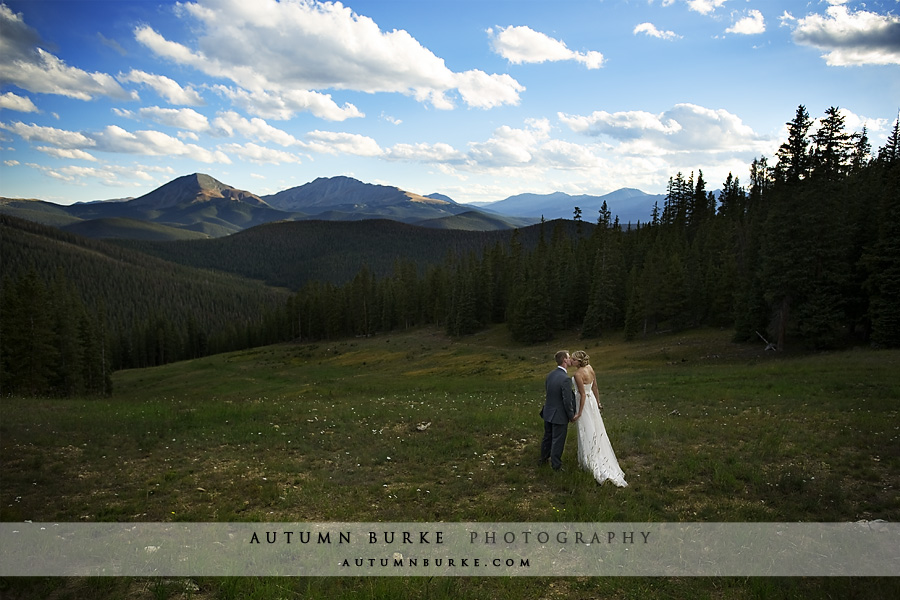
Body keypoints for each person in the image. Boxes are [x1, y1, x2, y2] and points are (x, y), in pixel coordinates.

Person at [571, 350, 627, 487]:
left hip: (584, 404)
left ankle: (589, 461)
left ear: (578, 361)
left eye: (573, 359)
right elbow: (595, 386)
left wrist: (579, 412)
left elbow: (582, 394)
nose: (571, 361)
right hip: (593, 403)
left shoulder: (578, 374)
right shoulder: (590, 368)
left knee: (586, 430)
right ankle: (592, 456)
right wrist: (598, 402)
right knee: (595, 428)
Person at [540, 350, 577, 471]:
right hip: (559, 414)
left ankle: (543, 459)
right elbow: (567, 400)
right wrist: (571, 415)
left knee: (547, 436)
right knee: (558, 440)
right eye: (569, 357)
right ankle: (556, 465)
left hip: (548, 411)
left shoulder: (550, 374)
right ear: (565, 360)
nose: (570, 358)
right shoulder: (565, 379)